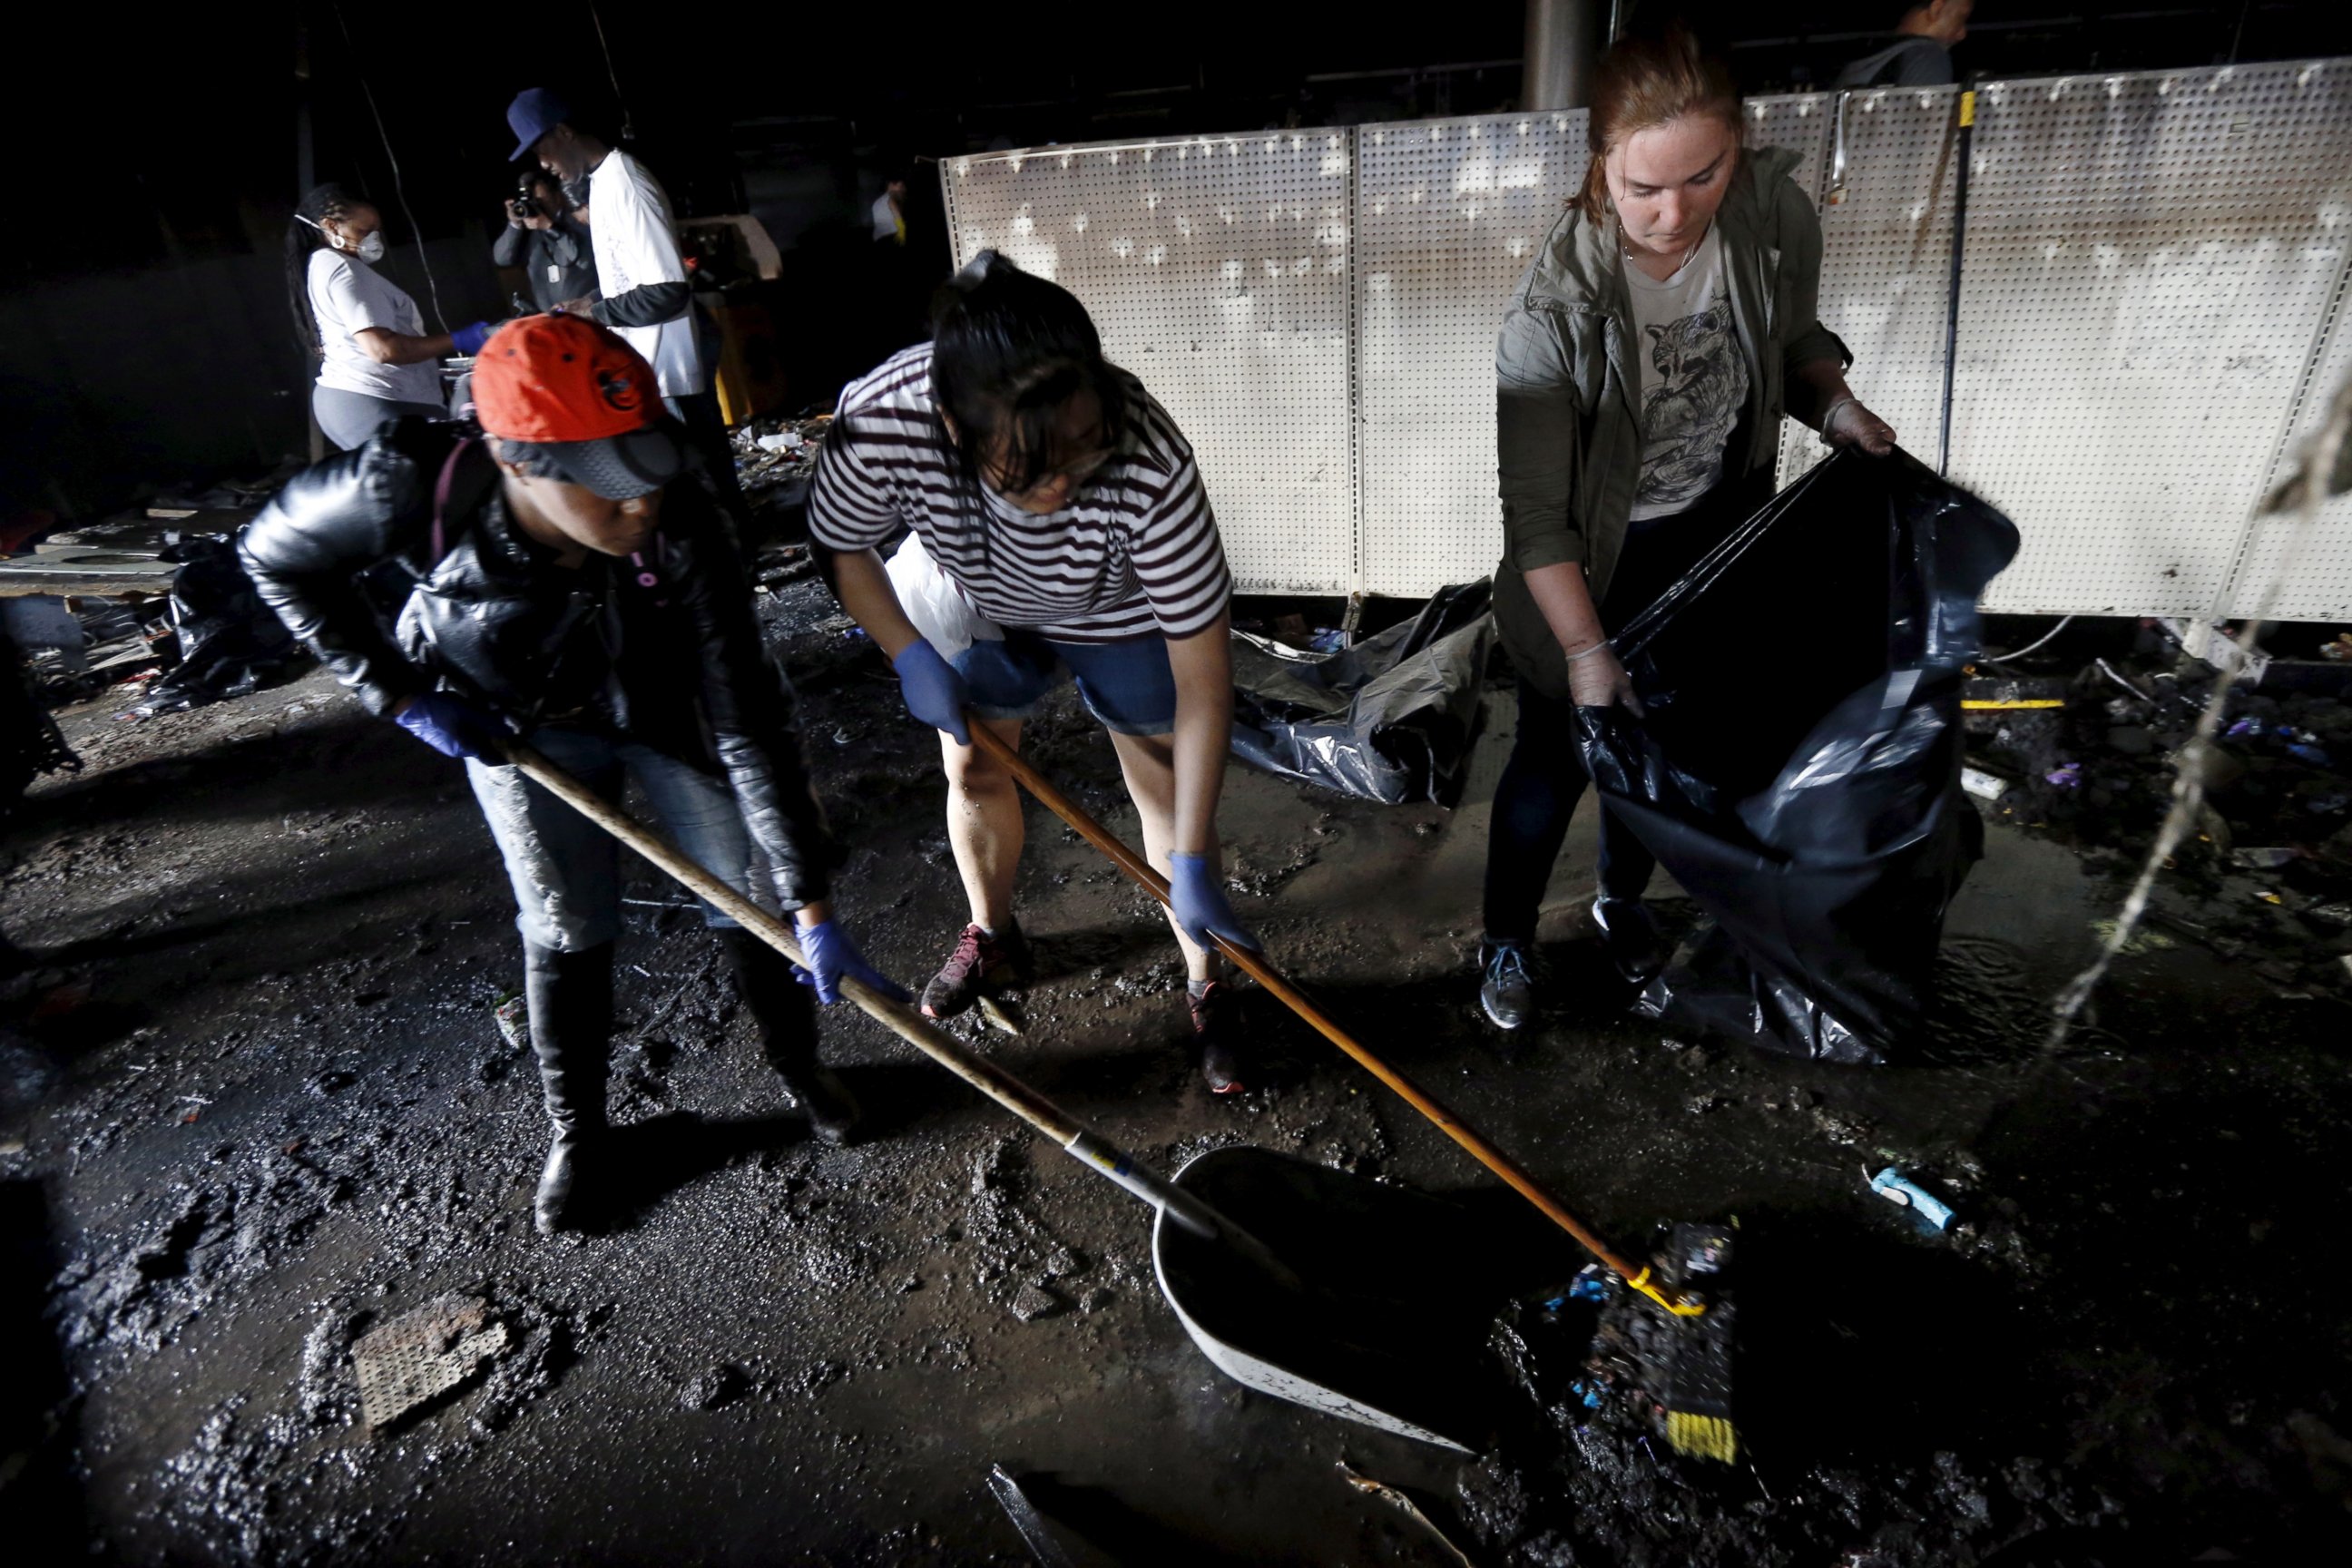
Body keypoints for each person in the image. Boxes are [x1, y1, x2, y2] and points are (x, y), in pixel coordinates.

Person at [239, 314, 897, 1234]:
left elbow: (745, 716)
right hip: (512, 725)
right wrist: (396, 695)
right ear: (516, 462)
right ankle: (580, 1131)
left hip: (669, 715)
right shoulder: (407, 485)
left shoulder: (686, 510)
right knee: (563, 920)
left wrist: (811, 904)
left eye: (647, 468)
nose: (642, 505)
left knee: (745, 886)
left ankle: (799, 1063)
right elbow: (271, 557)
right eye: (608, 487)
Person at [1477, 25, 1897, 1031]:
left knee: (1672, 758)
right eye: (1642, 190)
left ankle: (1620, 902)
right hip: (1593, 568)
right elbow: (1538, 518)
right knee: (1555, 758)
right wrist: (1584, 648)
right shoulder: (1554, 315)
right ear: (1602, 169)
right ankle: (1504, 939)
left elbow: (1793, 336)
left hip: (1718, 541)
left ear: (1739, 150)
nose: (1674, 214)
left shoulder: (1768, 211)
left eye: (1702, 177)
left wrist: (1835, 405)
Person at [808, 253, 1260, 1093]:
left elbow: (1203, 679)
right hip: (970, 586)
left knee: (1163, 779)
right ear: (952, 425)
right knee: (975, 761)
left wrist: (1192, 857)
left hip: (1114, 607)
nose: (1063, 484)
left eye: (1083, 455)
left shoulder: (1150, 460)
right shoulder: (884, 421)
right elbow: (840, 542)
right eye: (1032, 468)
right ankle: (995, 936)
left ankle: (1207, 977)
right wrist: (906, 652)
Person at [502, 89, 750, 525]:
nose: (542, 163)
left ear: (564, 131)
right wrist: (590, 300)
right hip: (651, 366)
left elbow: (668, 290)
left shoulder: (626, 182)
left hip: (669, 369)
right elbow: (633, 279)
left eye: (542, 148)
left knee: (706, 493)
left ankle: (738, 563)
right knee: (696, 490)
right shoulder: (602, 184)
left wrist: (593, 315)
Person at [286, 182, 495, 451]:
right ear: (331, 226)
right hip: (375, 400)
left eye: (375, 231)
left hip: (350, 401)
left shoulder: (319, 264)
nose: (373, 239)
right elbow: (383, 349)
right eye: (363, 231)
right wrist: (461, 339)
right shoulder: (343, 269)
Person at [493, 170, 598, 314]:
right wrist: (514, 224)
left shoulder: (578, 220)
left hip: (584, 313)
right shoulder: (528, 232)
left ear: (557, 196)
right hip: (550, 318)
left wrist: (550, 228)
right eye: (532, 202)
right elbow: (502, 259)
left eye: (541, 201)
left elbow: (585, 261)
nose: (536, 206)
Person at [1833, 0, 1973, 89]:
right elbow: (1925, 126)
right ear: (1936, 9)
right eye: (1961, 18)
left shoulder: (1867, 58)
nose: (1962, 34)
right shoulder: (1927, 55)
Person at [871, 177, 907, 245]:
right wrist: (901, 229)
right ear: (891, 185)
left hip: (878, 236)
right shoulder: (892, 196)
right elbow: (894, 208)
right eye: (901, 186)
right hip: (892, 234)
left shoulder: (877, 202)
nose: (903, 189)